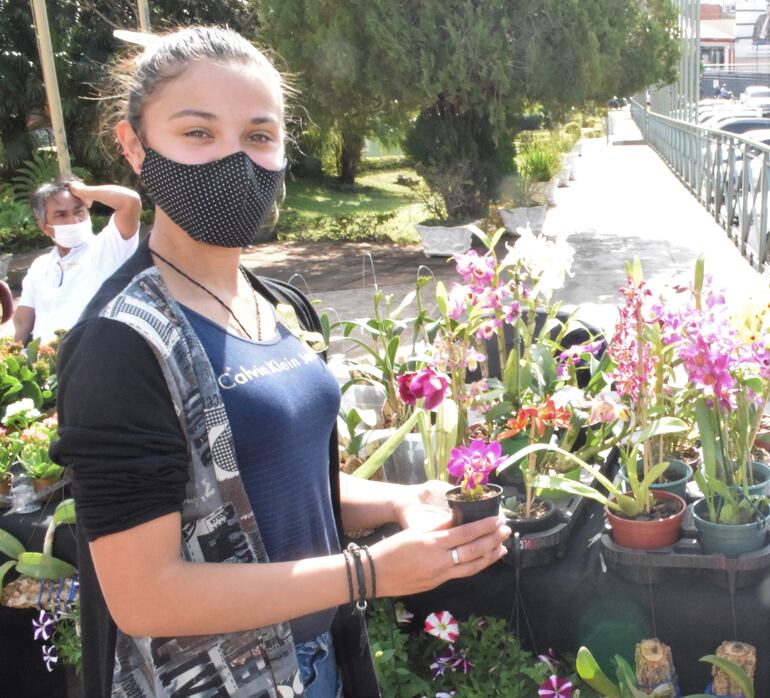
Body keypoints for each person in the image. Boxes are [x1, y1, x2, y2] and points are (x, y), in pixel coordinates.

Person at [51, 26, 510, 698]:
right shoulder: (120, 344)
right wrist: (370, 573)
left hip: (315, 664)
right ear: (134, 146)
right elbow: (145, 595)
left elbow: (283, 481)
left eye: (260, 136)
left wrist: (401, 500)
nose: (236, 160)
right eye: (199, 133)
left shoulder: (279, 304)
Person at [13, 177, 141, 344]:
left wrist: (85, 192)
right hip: (48, 362)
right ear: (45, 227)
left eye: (79, 211)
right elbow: (24, 321)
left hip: (94, 358)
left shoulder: (108, 248)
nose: (73, 220)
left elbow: (130, 201)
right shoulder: (40, 266)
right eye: (61, 215)